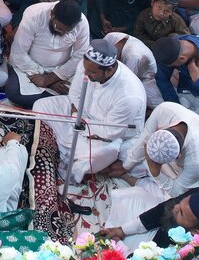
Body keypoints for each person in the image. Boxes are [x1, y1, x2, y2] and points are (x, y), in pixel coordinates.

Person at [34, 40, 147, 182]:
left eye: (92, 72)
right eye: (85, 68)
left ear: (109, 70)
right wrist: (75, 115)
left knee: (97, 156)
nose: (86, 74)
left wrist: (79, 126)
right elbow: (74, 95)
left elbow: (110, 132)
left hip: (107, 135)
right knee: (41, 106)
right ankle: (66, 150)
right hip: (80, 115)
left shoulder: (129, 95)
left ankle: (64, 154)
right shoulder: (87, 67)